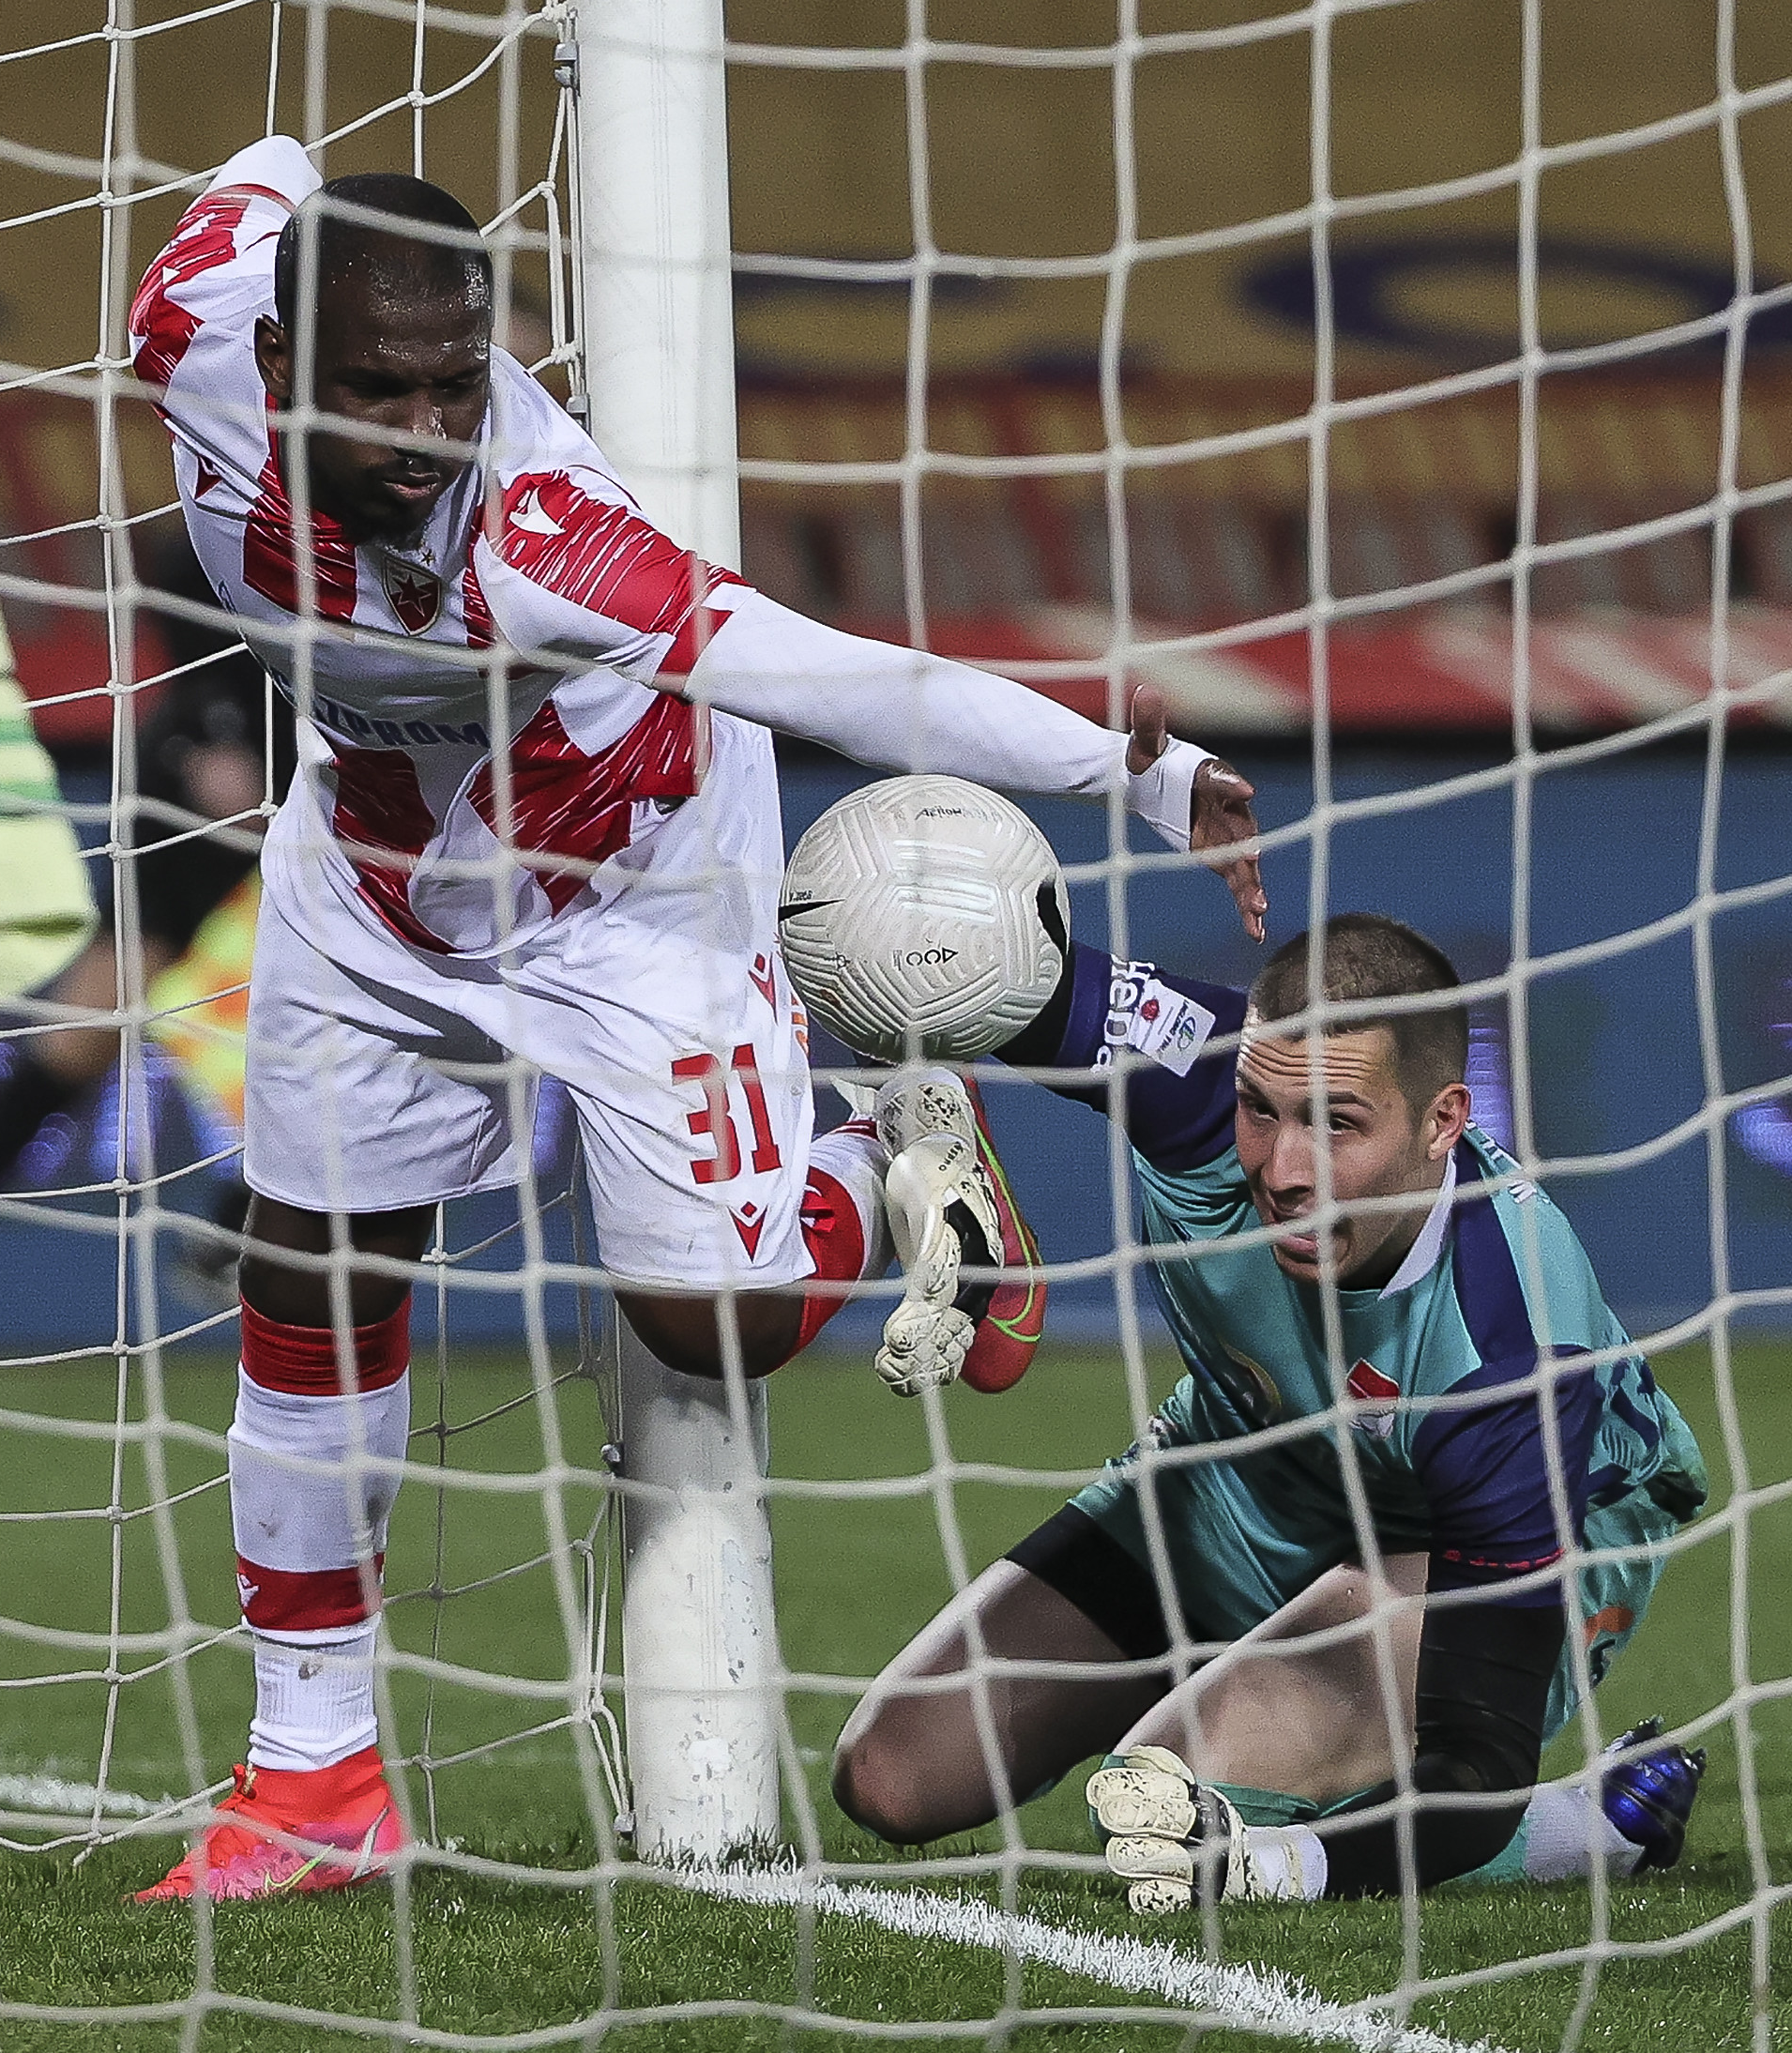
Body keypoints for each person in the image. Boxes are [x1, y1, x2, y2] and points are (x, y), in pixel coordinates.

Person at [120, 138, 1268, 1901]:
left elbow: (859, 682)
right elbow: (264, 166)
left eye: (456, 383)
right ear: (272, 368)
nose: (427, 427)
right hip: (372, 870)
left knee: (708, 1330)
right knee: (311, 1272)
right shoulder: (188, 328)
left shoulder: (554, 545)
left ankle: (876, 1135)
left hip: (635, 882)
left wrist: (1144, 771)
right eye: (379, 388)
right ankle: (311, 1777)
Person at [831, 912, 1712, 1909]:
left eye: (1337, 1123)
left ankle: (1585, 1828)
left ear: (1441, 1121)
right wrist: (918, 1090)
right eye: (1261, 1111)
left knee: (1151, 1798)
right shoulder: (1192, 1069)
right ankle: (1271, 1685)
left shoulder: (1506, 1353)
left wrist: (1278, 1868)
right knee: (888, 1776)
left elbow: (1477, 1764)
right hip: (1247, 1471)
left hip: (1494, 1535)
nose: (1282, 1170)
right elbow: (967, 963)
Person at [0, 534, 294, 1375]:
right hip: (221, 801)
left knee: (101, 1032)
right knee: (113, 1028)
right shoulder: (273, 498)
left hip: (296, 790)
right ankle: (229, 1233)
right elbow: (186, 574)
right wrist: (217, 734)